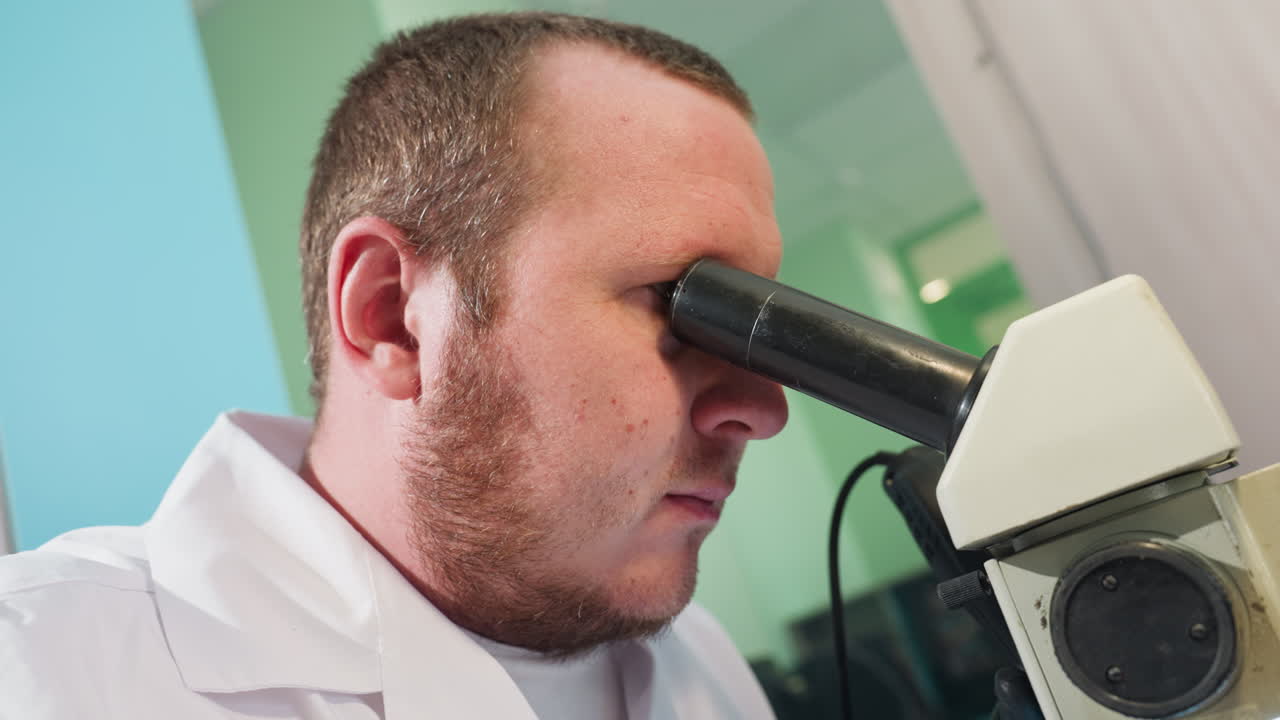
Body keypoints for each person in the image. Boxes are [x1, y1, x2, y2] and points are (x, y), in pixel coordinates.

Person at [0, 12, 790, 719]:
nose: (763, 407)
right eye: (681, 302)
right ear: (392, 317)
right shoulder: (42, 669)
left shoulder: (704, 666)